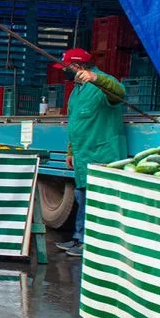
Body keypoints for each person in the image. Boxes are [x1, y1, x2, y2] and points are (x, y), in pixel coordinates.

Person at [55, 48, 126, 258]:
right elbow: (75, 122)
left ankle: (88, 241)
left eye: (67, 67)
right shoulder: (77, 90)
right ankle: (79, 238)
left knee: (93, 201)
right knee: (81, 197)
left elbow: (119, 93)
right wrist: (70, 150)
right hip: (82, 155)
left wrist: (96, 78)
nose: (65, 71)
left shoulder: (101, 83)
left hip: (101, 156)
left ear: (78, 67)